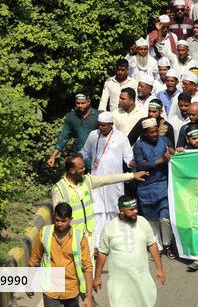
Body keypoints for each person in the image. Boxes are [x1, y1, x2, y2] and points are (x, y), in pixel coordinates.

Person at [50, 153, 147, 248]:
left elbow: (108, 179)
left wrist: (132, 176)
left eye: (84, 167)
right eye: (81, 168)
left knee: (89, 264)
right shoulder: (59, 189)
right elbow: (58, 219)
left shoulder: (87, 180)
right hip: (71, 237)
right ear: (71, 170)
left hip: (88, 235)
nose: (84, 170)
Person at [93, 195, 164, 307]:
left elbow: (153, 245)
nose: (135, 211)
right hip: (120, 283)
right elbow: (102, 253)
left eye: (136, 208)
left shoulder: (143, 222)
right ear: (121, 211)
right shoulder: (109, 227)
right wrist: (97, 277)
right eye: (131, 209)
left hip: (141, 279)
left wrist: (160, 269)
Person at [80, 111, 134, 248]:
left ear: (111, 124)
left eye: (104, 125)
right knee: (97, 210)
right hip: (96, 180)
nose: (101, 128)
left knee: (114, 209)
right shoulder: (93, 135)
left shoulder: (121, 137)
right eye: (100, 125)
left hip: (114, 182)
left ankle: (115, 242)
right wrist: (76, 158)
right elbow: (85, 151)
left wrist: (135, 163)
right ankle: (97, 244)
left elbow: (128, 158)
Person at [28, 202, 94, 307]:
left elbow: (87, 267)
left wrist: (89, 297)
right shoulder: (45, 233)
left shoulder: (79, 237)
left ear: (70, 219)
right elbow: (34, 259)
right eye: (57, 220)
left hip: (71, 290)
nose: (59, 224)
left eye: (63, 221)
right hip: (50, 289)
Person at [132, 118, 177, 260]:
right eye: (151, 132)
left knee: (165, 217)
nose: (155, 134)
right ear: (144, 133)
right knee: (152, 220)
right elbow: (141, 165)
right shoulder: (138, 146)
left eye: (156, 131)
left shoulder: (164, 140)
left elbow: (172, 152)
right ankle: (157, 247)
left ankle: (168, 245)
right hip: (146, 186)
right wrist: (160, 160)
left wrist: (176, 152)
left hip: (163, 183)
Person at [49, 94, 100, 167]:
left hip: (96, 157)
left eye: (83, 103)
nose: (80, 105)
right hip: (79, 157)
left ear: (88, 102)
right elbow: (64, 136)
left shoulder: (98, 116)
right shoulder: (71, 117)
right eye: (77, 103)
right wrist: (53, 156)